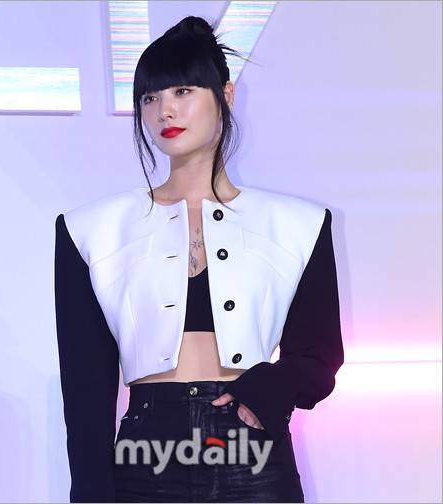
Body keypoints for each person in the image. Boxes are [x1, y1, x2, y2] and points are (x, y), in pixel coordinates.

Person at [54, 15, 344, 503]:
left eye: (183, 91)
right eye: (150, 98)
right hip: (144, 457)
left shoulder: (298, 224)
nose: (165, 110)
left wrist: (270, 389)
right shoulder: (90, 230)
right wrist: (90, 493)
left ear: (225, 95)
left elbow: (319, 356)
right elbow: (85, 387)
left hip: (253, 450)